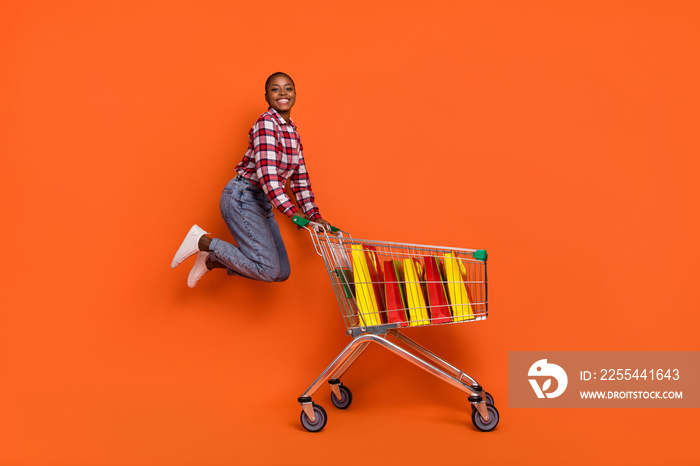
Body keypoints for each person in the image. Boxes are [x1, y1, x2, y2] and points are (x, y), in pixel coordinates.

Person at [171, 72, 333, 287]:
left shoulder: (292, 132)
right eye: (275, 89)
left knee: (280, 272)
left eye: (288, 88)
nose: (283, 92)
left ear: (295, 94)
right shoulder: (267, 124)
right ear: (267, 97)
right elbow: (268, 178)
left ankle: (212, 259)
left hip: (262, 203)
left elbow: (300, 179)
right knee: (268, 269)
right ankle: (202, 241)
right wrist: (294, 214)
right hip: (243, 197)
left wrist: (314, 215)